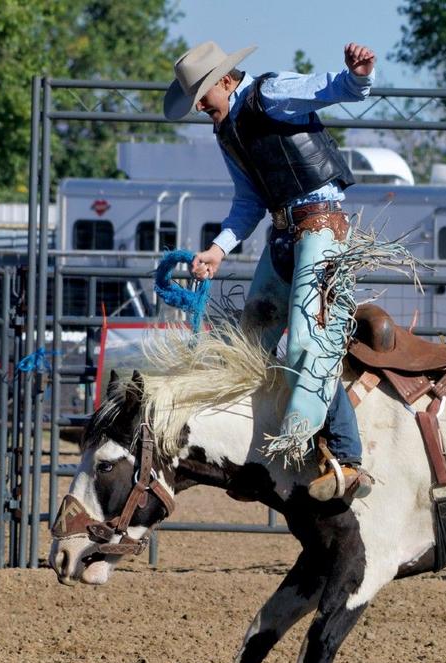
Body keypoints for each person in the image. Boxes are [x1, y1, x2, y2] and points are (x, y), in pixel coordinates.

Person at [165, 41, 376, 502]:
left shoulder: (272, 93)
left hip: (323, 227)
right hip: (285, 233)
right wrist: (218, 250)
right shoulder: (228, 132)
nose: (198, 106)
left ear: (225, 80)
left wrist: (358, 76)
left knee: (306, 342)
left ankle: (346, 456)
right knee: (249, 343)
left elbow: (334, 89)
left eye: (202, 94)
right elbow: (248, 201)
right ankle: (263, 452)